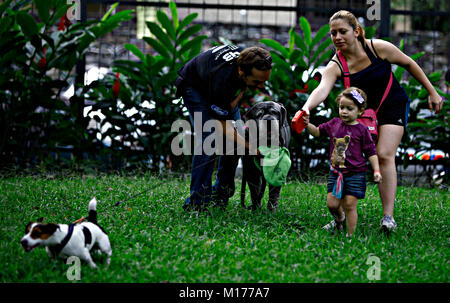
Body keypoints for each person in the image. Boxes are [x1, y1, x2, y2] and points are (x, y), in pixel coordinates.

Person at [298, 10, 443, 232]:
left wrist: (432, 92)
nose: (337, 37)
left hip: (392, 104)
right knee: (348, 160)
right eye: (333, 33)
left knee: (384, 155)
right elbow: (322, 89)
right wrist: (306, 107)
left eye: (342, 32)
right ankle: (343, 218)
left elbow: (409, 64)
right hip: (364, 115)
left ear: (357, 32)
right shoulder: (337, 64)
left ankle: (388, 218)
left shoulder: (378, 48)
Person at [175, 45, 272, 211]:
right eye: (257, 82)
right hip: (194, 87)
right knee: (209, 140)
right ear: (242, 72)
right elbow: (220, 126)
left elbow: (236, 100)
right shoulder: (223, 80)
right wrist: (251, 148)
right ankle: (196, 203)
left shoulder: (250, 60)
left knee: (235, 141)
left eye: (264, 81)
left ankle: (221, 193)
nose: (261, 87)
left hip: (218, 87)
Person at [305, 87, 382, 236]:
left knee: (349, 204)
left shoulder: (362, 130)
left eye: (349, 108)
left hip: (355, 174)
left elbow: (371, 152)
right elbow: (317, 132)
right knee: (332, 204)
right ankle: (340, 218)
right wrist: (307, 124)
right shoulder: (334, 124)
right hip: (336, 172)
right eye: (342, 107)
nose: (344, 111)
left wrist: (377, 170)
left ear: (360, 111)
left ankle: (350, 236)